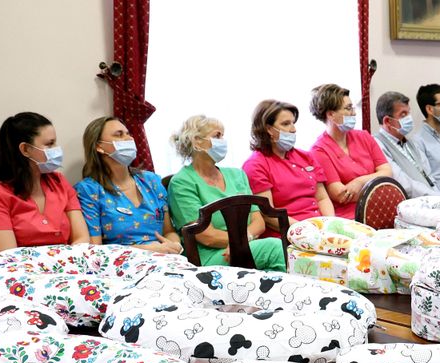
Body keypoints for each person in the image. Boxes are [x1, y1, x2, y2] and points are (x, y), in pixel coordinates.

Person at [166, 115, 285, 271]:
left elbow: (258, 222)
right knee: (276, 248)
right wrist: (239, 243)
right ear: (196, 141)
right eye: (217, 136)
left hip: (247, 246)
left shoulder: (237, 175)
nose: (223, 141)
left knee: (278, 271)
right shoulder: (182, 182)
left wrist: (242, 242)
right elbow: (206, 236)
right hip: (211, 258)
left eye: (223, 136)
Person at [0, 112, 90, 251]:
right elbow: (7, 254)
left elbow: (82, 238)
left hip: (69, 262)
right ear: (25, 149)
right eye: (49, 144)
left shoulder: (59, 181)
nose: (56, 149)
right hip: (21, 264)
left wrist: (66, 261)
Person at [75, 116, 182, 253]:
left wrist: (174, 244)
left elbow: (169, 231)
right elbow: (95, 249)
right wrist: (147, 250)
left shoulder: (151, 181)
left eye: (128, 133)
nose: (129, 138)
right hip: (122, 262)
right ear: (99, 146)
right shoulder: (89, 190)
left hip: (166, 257)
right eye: (119, 135)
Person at [242, 99, 334, 235]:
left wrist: (331, 225)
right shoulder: (255, 165)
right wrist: (305, 230)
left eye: (293, 123)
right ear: (268, 129)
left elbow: (322, 198)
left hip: (320, 228)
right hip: (288, 233)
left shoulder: (306, 157)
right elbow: (268, 214)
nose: (293, 129)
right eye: (286, 124)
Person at [308, 84, 392, 220]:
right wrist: (376, 182)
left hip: (383, 207)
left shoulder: (364, 136)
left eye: (352, 107)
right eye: (348, 108)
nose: (354, 113)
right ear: (331, 114)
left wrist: (359, 182)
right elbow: (340, 195)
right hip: (351, 217)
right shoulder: (319, 151)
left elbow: (387, 173)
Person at [371, 91, 440, 198]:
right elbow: (405, 184)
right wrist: (436, 197)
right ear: (388, 121)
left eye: (408, 113)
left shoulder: (410, 142)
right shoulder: (377, 144)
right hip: (412, 202)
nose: (409, 118)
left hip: (432, 197)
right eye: (403, 114)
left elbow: (429, 175)